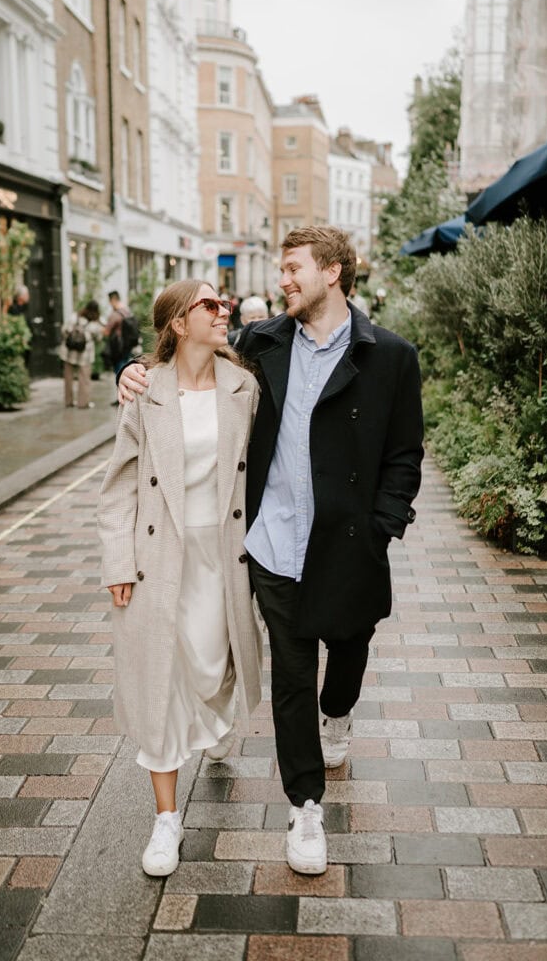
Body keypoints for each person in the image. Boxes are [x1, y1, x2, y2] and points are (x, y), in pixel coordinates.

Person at [117, 226, 423, 876]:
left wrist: (381, 526)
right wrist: (132, 371)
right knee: (291, 674)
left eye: (292, 268)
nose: (282, 280)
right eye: (282, 269)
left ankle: (338, 713)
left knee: (349, 649)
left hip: (348, 544)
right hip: (273, 545)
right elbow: (186, 360)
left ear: (332, 272)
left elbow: (404, 453)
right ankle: (304, 805)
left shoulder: (391, 356)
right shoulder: (262, 343)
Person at [98, 279, 262, 879]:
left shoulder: (243, 387)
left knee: (215, 665)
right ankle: (166, 819)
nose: (223, 312)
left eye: (225, 304)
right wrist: (118, 562)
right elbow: (118, 486)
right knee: (160, 683)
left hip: (223, 554)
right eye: (209, 305)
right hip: (159, 558)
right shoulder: (146, 391)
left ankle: (216, 719)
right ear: (177, 323)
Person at [58, 300, 102, 409]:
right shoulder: (95, 324)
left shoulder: (74, 317)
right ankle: (83, 403)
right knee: (84, 378)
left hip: (69, 352)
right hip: (85, 354)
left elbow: (63, 330)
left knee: (68, 377)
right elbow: (99, 338)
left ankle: (68, 401)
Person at [104, 291, 132, 370]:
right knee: (125, 366)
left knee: (120, 369)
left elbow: (106, 332)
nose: (109, 303)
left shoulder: (115, 314)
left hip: (118, 346)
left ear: (113, 300)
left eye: (110, 301)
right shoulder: (127, 311)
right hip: (127, 344)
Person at [7, 284, 32, 370]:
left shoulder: (26, 307)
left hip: (27, 341)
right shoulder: (13, 309)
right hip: (19, 342)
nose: (28, 296)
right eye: (26, 294)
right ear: (20, 297)